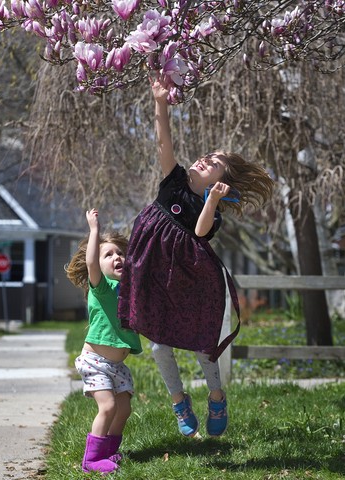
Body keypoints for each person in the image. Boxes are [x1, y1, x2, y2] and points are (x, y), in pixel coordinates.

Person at [118, 78, 274, 438]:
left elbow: (201, 232)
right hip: (154, 271)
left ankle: (216, 396)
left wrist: (213, 201)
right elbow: (163, 143)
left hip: (189, 279)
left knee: (204, 344)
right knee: (159, 345)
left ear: (222, 181)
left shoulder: (211, 208)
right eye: (206, 156)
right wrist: (160, 104)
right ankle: (179, 401)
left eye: (215, 163)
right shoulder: (173, 181)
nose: (205, 160)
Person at [65, 209, 142, 475]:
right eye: (108, 254)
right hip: (95, 362)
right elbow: (91, 264)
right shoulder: (101, 287)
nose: (117, 257)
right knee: (108, 406)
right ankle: (91, 460)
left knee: (124, 409)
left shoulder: (129, 289)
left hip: (117, 366)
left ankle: (109, 452)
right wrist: (94, 230)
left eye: (120, 253)